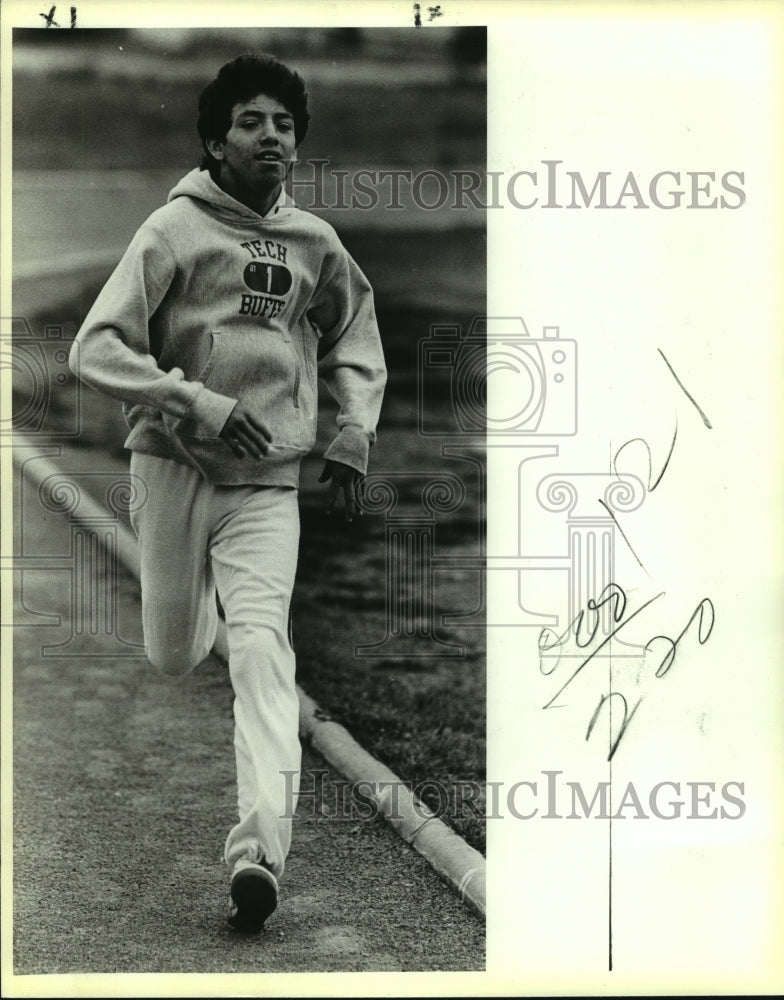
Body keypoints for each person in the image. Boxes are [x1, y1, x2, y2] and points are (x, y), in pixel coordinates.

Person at [69, 53, 387, 931]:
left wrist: (353, 423)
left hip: (267, 486)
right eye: (252, 122)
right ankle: (195, 599)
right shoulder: (171, 233)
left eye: (285, 124)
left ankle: (258, 855)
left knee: (262, 657)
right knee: (175, 651)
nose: (272, 137)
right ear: (215, 140)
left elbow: (355, 329)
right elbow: (94, 349)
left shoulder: (316, 243)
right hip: (172, 469)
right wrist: (196, 402)